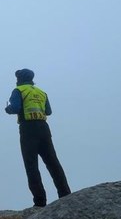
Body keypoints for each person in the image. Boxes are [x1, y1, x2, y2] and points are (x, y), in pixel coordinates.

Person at [5, 68, 71, 207]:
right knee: (53, 163)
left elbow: (15, 108)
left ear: (20, 79)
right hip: (44, 128)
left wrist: (8, 109)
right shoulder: (41, 92)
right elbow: (49, 111)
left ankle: (40, 201)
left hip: (28, 129)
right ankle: (65, 194)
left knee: (31, 165)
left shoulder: (19, 91)